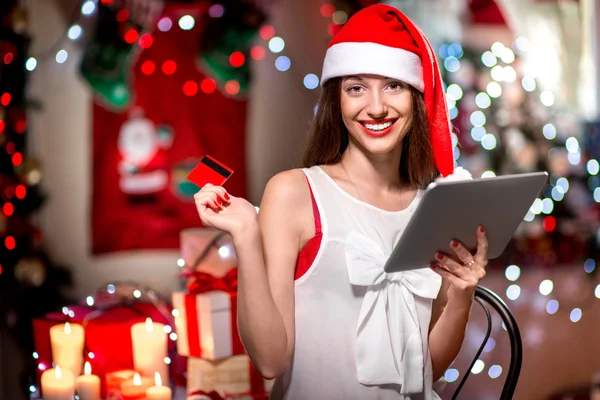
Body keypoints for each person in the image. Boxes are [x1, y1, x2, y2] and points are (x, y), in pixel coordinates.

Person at [194, 4, 488, 400]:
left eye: (394, 85)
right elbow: (270, 361)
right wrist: (246, 233)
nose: (377, 107)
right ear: (337, 101)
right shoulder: (294, 193)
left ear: (416, 98)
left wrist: (461, 297)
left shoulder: (433, 206)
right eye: (356, 87)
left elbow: (428, 368)